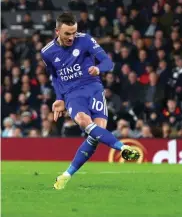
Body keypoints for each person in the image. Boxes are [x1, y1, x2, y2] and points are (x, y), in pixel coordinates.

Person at [41, 12, 140, 190]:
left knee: (96, 135)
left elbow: (108, 62)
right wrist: (59, 98)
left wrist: (98, 68)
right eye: (67, 34)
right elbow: (55, 76)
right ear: (57, 31)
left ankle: (65, 175)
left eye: (74, 32)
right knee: (82, 120)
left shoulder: (85, 40)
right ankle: (122, 148)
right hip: (72, 94)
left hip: (93, 88)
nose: (71, 37)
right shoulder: (47, 52)